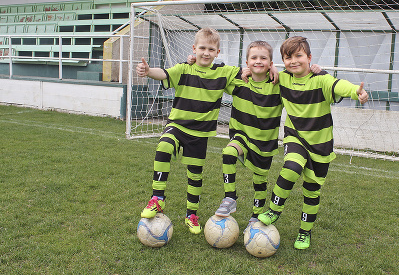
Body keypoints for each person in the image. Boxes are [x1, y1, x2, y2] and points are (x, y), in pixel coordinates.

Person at [190, 41, 322, 231]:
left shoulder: (279, 83)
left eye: (263, 58)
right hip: (241, 135)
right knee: (228, 153)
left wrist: (317, 69)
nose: (258, 61)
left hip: (265, 142)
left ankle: (255, 217)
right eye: (254, 58)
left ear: (270, 62)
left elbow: (302, 77)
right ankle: (230, 197)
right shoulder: (238, 79)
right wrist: (193, 60)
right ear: (246, 62)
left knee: (260, 183)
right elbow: (213, 71)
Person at [257, 36, 369, 250]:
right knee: (291, 167)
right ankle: (274, 209)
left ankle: (304, 232)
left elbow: (339, 85)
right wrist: (259, 70)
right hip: (295, 136)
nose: (293, 61)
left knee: (312, 191)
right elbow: (257, 72)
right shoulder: (282, 78)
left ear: (309, 58)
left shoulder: (321, 80)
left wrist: (357, 91)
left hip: (321, 145)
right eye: (287, 57)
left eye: (298, 56)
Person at [136, 28, 241, 234]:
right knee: (164, 146)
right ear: (194, 48)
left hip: (200, 134)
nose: (206, 52)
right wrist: (148, 71)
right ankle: (157, 198)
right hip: (178, 125)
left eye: (211, 49)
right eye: (202, 48)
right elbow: (164, 74)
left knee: (195, 175)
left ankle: (191, 214)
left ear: (217, 52)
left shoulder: (223, 73)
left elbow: (247, 74)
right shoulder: (185, 68)